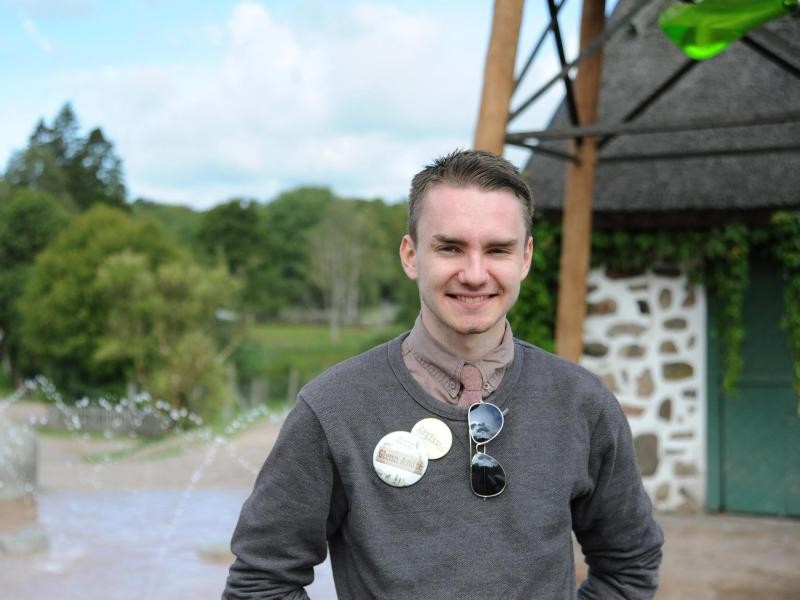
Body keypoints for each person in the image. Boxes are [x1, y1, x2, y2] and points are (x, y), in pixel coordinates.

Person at [223, 149, 663, 599]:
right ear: (411, 256)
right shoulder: (333, 409)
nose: (474, 274)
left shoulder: (581, 403)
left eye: (498, 249)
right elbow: (261, 584)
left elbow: (629, 562)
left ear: (525, 258)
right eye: (450, 247)